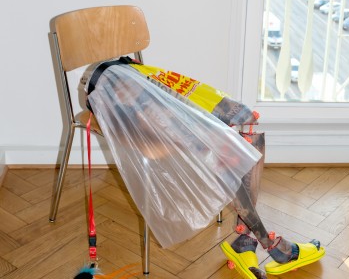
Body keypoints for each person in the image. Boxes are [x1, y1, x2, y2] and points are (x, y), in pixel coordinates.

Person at [86, 61, 325, 278]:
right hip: (179, 134)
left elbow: (191, 102)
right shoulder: (132, 109)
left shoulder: (148, 83)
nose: (129, 90)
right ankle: (267, 243)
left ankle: (245, 241)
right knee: (223, 153)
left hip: (181, 120)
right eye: (122, 90)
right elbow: (154, 147)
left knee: (246, 127)